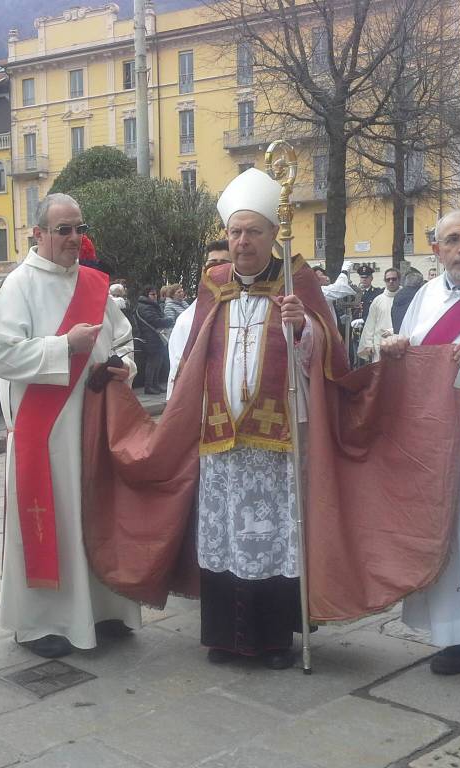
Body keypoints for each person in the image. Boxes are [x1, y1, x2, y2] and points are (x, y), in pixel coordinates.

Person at [167, 168, 344, 669]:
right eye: (235, 232)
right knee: (224, 533)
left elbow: (328, 352)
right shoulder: (213, 284)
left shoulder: (298, 282)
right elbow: (194, 351)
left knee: (270, 532)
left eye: (253, 232)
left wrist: (303, 326)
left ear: (274, 237)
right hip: (220, 436)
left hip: (279, 435)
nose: (242, 241)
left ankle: (271, 640)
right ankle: (225, 637)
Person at [0, 192, 141, 659]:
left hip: (93, 423)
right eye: (63, 230)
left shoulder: (95, 284)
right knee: (54, 519)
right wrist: (63, 347)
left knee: (93, 516)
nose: (75, 238)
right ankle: (43, 622)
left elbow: (125, 338)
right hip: (45, 432)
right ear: (39, 234)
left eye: (78, 228)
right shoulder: (18, 285)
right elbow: (0, 355)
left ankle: (103, 611)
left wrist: (122, 365)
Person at [381, 210, 460, 676]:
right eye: (453, 239)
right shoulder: (425, 295)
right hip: (436, 434)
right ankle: (453, 637)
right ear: (437, 249)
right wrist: (394, 351)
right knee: (444, 532)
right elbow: (411, 352)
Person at [356, 267, 401, 363]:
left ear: (399, 280)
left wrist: (394, 330)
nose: (391, 282)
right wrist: (368, 344)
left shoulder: (405, 298)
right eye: (388, 279)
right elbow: (370, 324)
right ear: (385, 281)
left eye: (394, 279)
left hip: (399, 343)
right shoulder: (378, 300)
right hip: (379, 344)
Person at [135, 286, 173, 394]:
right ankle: (149, 386)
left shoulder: (149, 305)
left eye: (155, 294)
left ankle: (155, 384)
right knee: (152, 362)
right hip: (150, 337)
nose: (155, 296)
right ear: (146, 295)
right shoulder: (145, 306)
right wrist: (168, 321)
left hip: (155, 337)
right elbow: (154, 320)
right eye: (152, 294)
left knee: (158, 361)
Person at [390, 267, 424, 333]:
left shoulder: (398, 295)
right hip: (413, 337)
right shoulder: (419, 296)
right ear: (420, 283)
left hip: (399, 336)